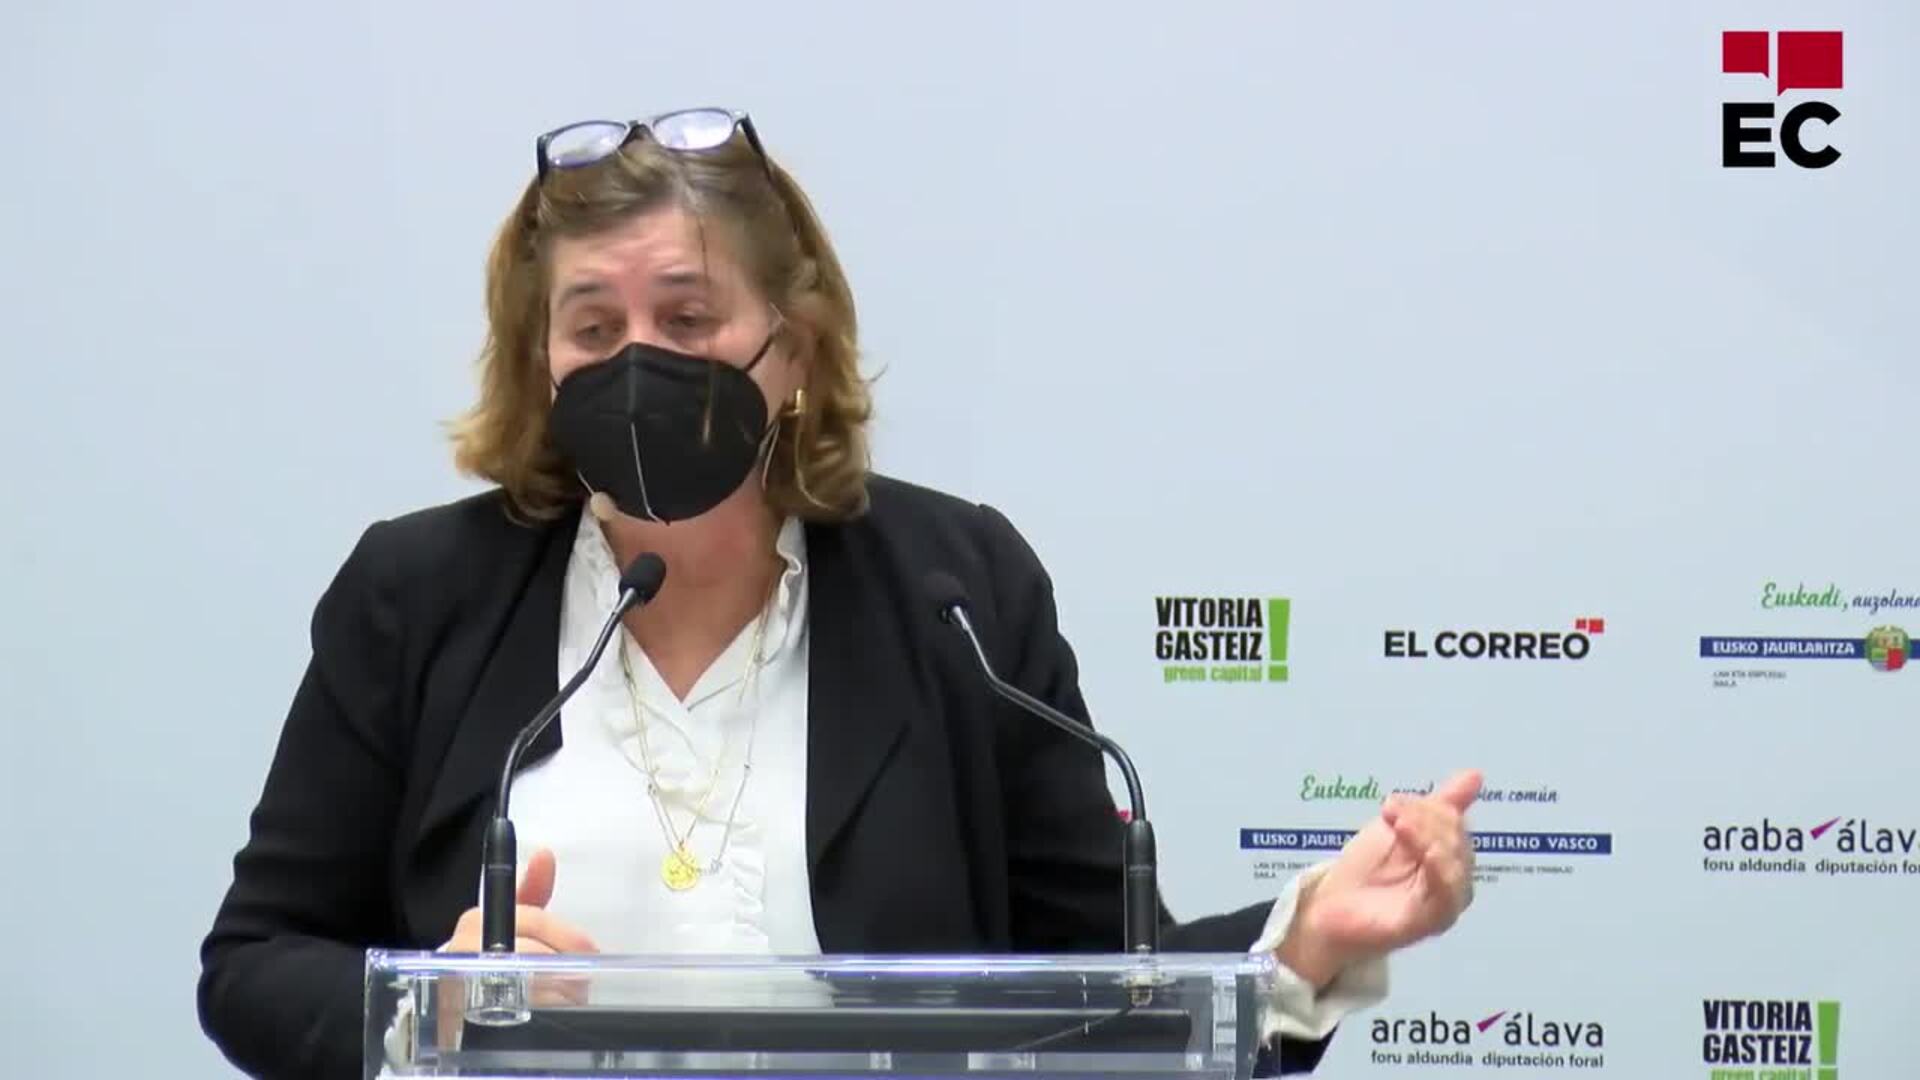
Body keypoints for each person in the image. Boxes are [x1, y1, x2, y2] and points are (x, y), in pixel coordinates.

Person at [197, 107, 1481, 1080]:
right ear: (542, 362)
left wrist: (1307, 941)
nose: (637, 364)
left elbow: (1114, 989)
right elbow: (255, 966)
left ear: (793, 348)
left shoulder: (955, 591)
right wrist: (421, 1002)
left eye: (687, 320)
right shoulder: (421, 593)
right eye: (592, 330)